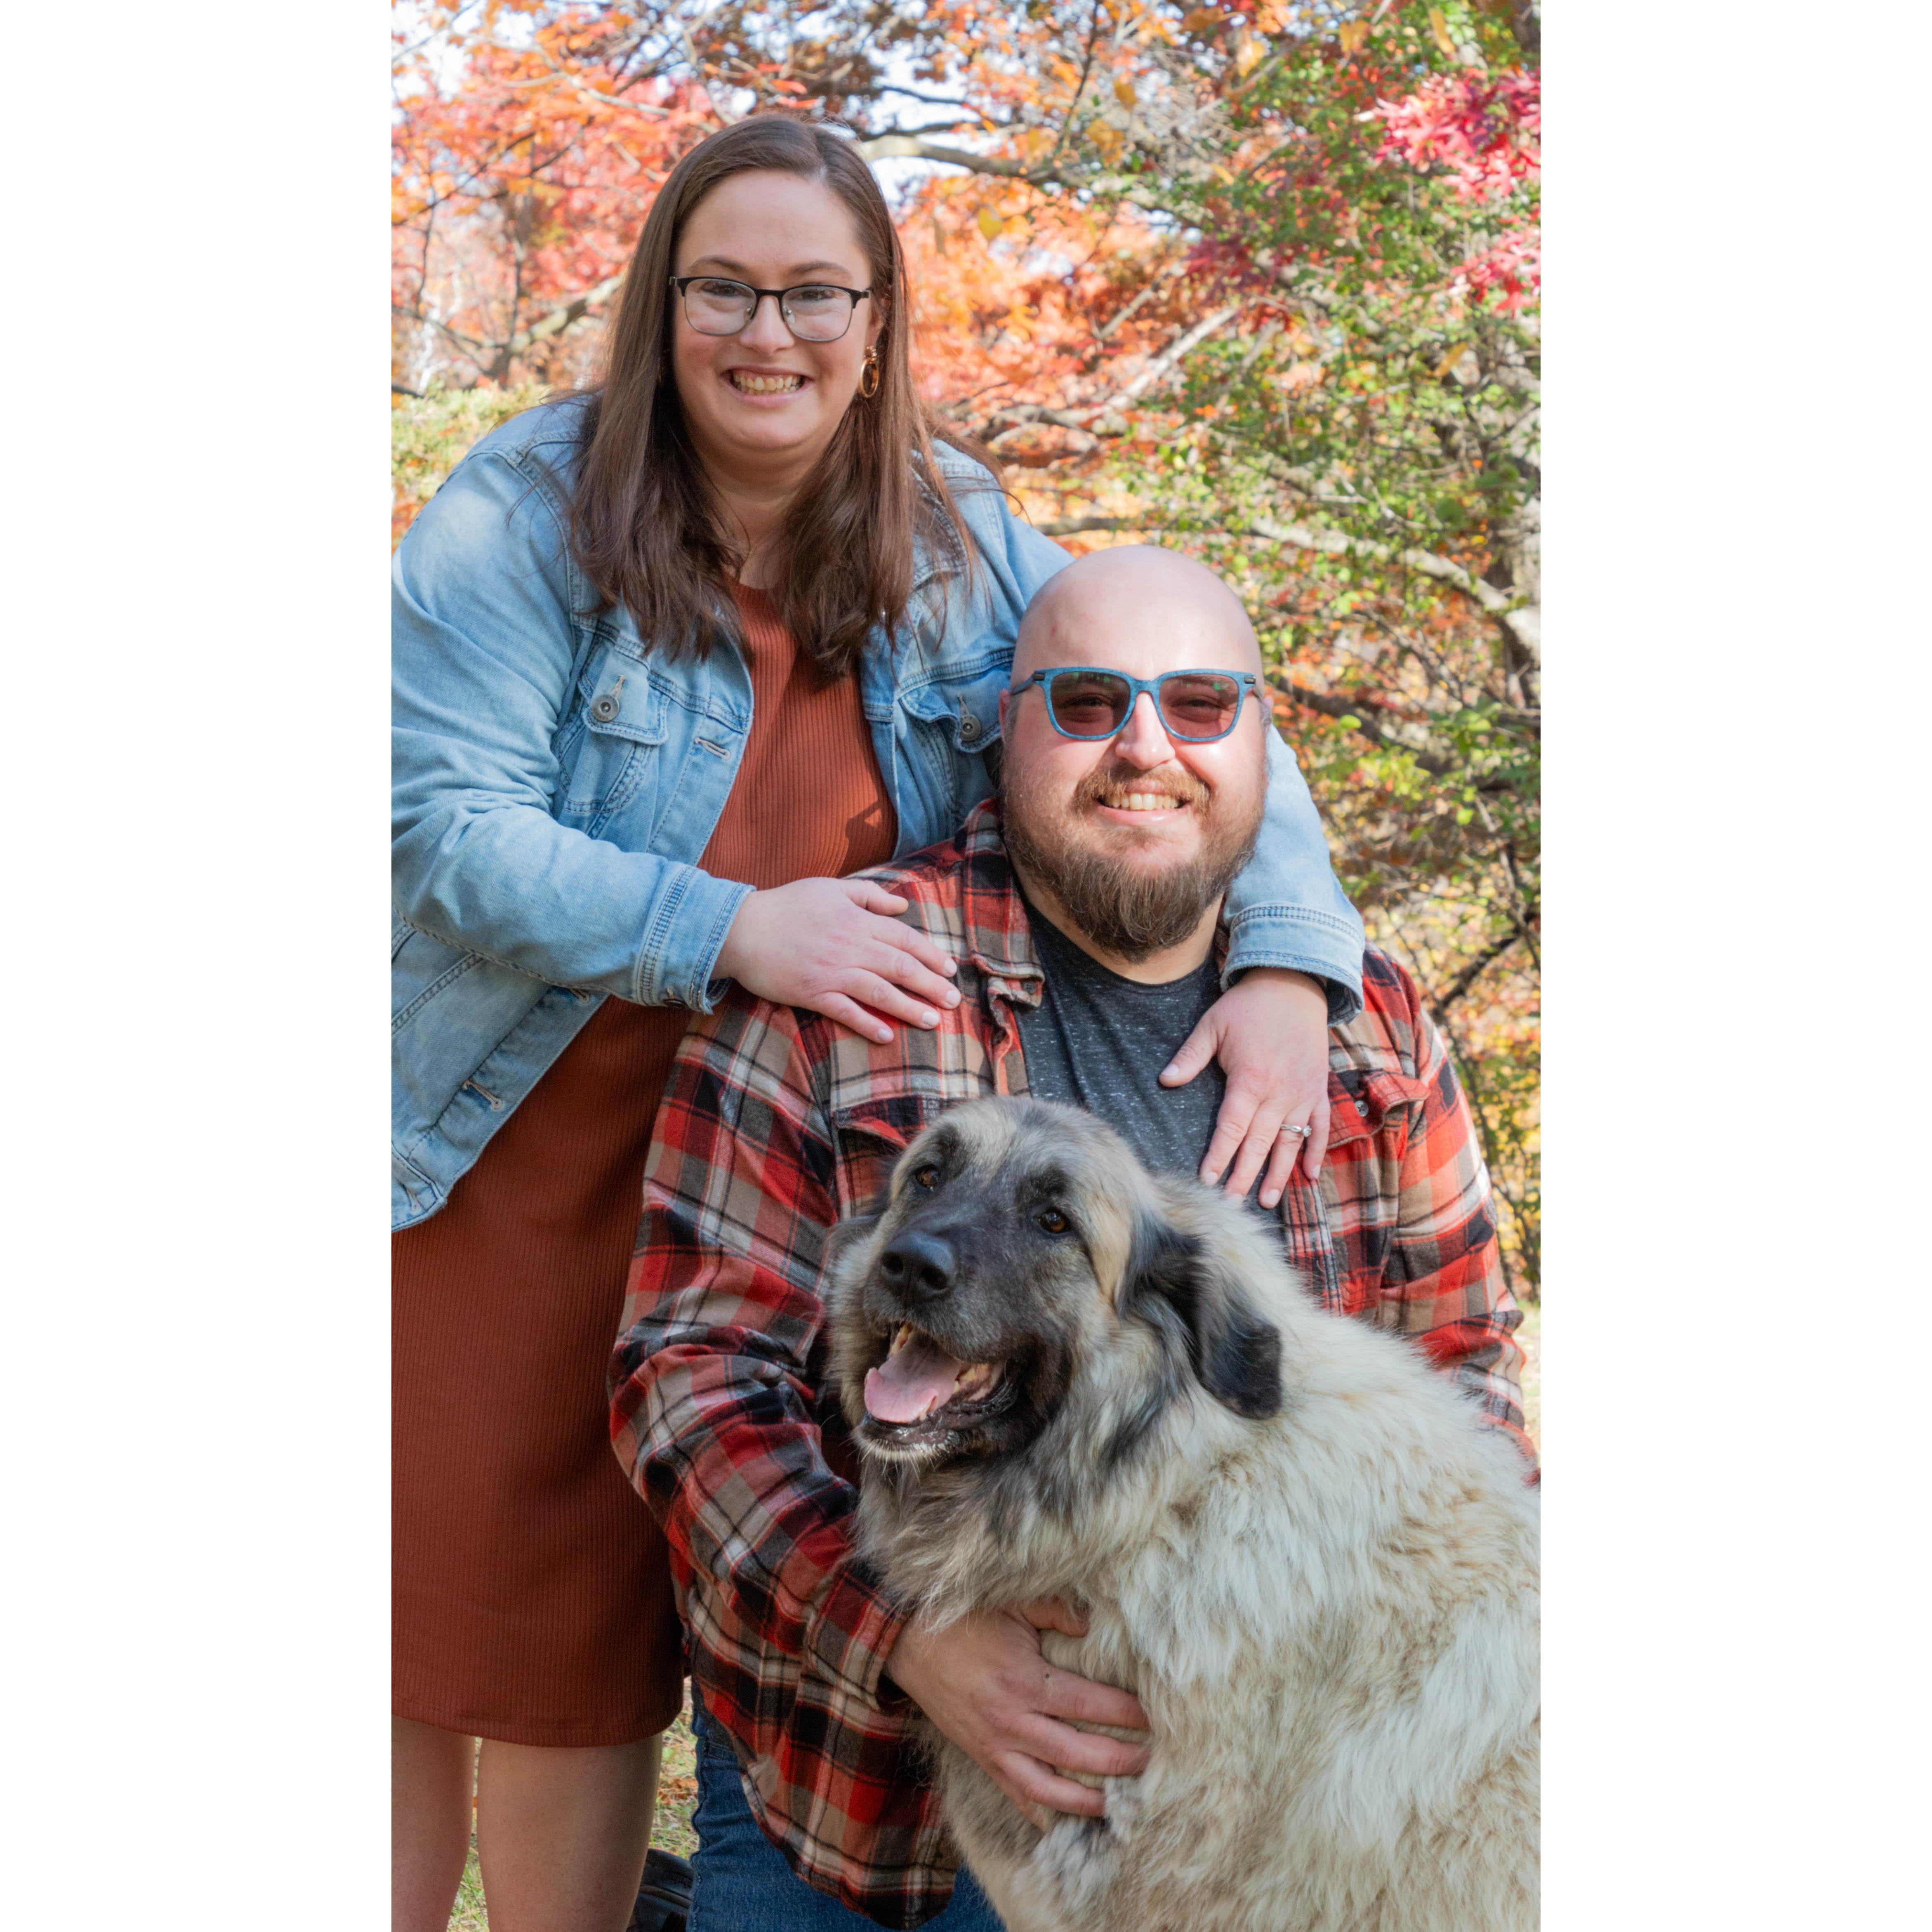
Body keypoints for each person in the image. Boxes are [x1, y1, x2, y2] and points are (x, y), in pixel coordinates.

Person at [391, 115, 1365, 1932]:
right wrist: (735, 924)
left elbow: (1188, 698)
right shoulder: (524, 513)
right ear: (659, 301)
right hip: (507, 1155)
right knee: (471, 1648)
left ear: (877, 312)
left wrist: (1295, 963)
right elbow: (438, 829)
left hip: (801, 1167)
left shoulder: (958, 529)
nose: (773, 333)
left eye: (817, 291)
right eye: (727, 289)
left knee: (622, 1645)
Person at [610, 544, 1535, 1931]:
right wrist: (905, 1637)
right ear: (1006, 726)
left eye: (1200, 706)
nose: (1143, 748)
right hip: (866, 1806)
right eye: (1088, 700)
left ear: (1261, 741)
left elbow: (1464, 1364)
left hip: (1264, 1813)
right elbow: (687, 1371)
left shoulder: (1365, 1024)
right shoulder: (841, 973)